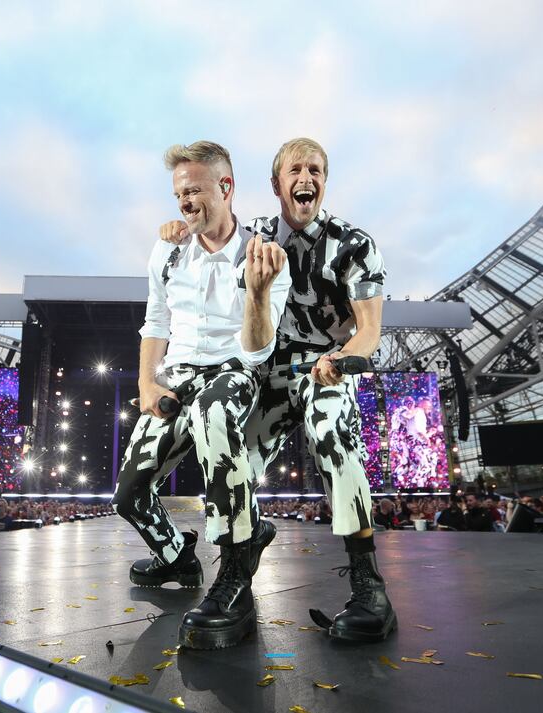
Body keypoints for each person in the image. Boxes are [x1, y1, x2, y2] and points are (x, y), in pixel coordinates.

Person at [158, 137, 394, 642]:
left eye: (315, 169)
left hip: (323, 367)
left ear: (324, 181)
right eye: (295, 170)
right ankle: (236, 575)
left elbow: (370, 330)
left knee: (334, 435)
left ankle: (368, 581)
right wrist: (181, 228)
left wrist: (343, 357)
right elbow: (210, 230)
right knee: (227, 452)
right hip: (267, 370)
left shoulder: (355, 244)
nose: (305, 177)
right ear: (276, 184)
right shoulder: (255, 236)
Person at [113, 141, 290, 650]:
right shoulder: (167, 249)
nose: (184, 202)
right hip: (176, 375)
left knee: (214, 412)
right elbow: (155, 321)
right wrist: (148, 382)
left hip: (235, 370)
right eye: (178, 193)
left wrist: (257, 292)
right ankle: (176, 557)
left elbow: (259, 351)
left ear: (226, 188)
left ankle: (234, 577)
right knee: (127, 495)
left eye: (194, 190)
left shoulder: (265, 254)